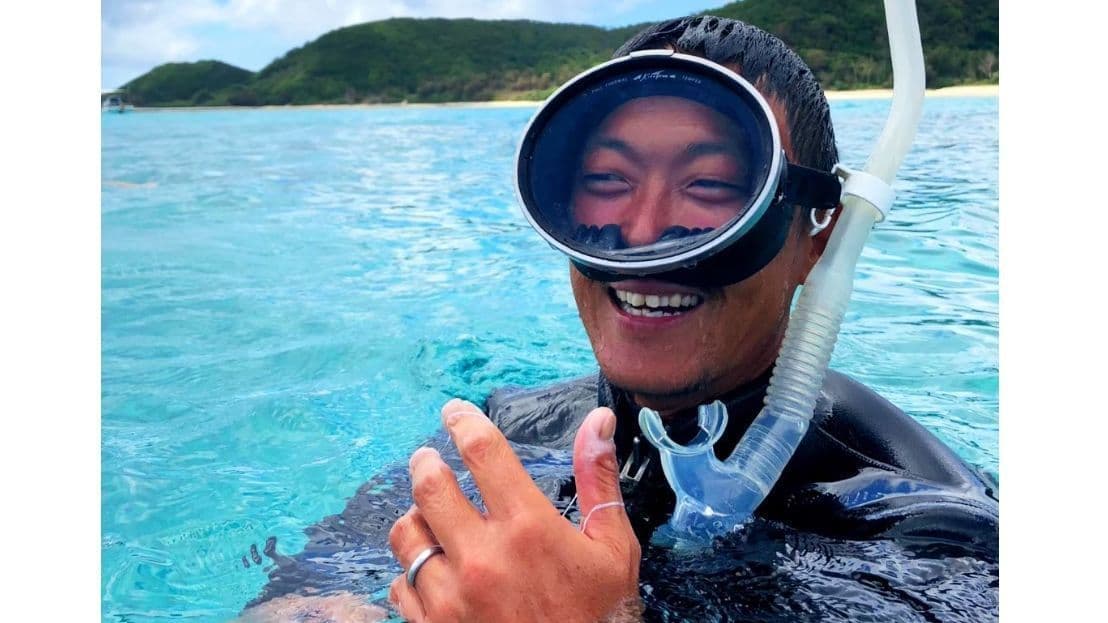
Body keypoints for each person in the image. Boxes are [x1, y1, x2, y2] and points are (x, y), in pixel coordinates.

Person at [237, 15, 998, 622]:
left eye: (711, 185)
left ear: (816, 241)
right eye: (606, 179)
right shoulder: (508, 435)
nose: (643, 231)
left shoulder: (938, 539)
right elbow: (298, 598)